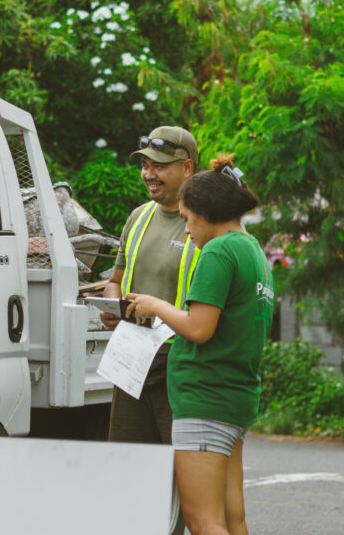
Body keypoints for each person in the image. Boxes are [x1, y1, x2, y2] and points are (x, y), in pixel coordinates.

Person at [125, 155, 274, 535]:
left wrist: (155, 305)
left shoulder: (218, 251)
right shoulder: (252, 249)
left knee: (203, 521)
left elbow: (199, 328)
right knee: (232, 519)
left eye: (188, 219)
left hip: (205, 399)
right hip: (235, 398)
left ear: (206, 213)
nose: (187, 231)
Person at [100, 126, 200, 449]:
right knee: (128, 465)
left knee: (180, 471)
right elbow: (115, 282)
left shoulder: (204, 224)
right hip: (131, 362)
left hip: (179, 367)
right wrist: (113, 306)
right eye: (145, 166)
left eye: (159, 166)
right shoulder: (138, 217)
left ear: (187, 168)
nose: (148, 174)